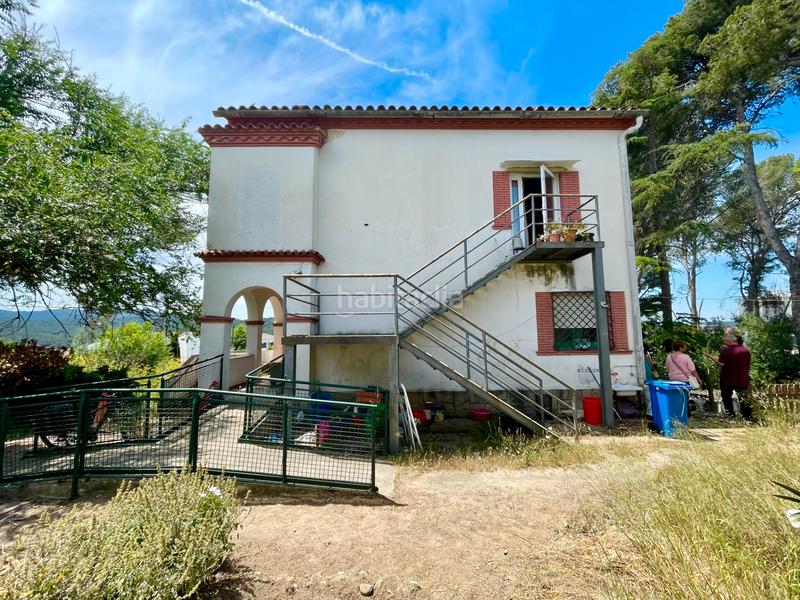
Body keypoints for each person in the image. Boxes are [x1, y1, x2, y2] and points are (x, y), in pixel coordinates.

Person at [708, 334, 752, 419]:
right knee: (743, 398)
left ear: (729, 341)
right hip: (742, 378)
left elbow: (722, 363)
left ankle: (730, 415)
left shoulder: (726, 351)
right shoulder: (746, 350)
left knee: (726, 397)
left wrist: (710, 357)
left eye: (724, 342)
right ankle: (747, 417)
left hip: (727, 378)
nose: (724, 343)